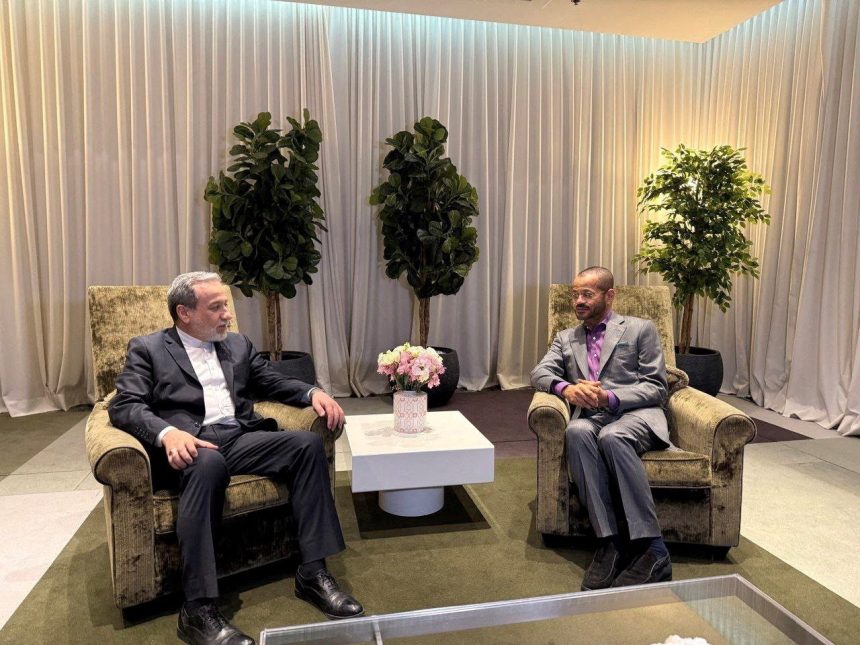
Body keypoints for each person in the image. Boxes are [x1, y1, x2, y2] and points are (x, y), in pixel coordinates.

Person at [109, 271, 363, 645]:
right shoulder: (148, 349)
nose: (227, 314)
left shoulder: (237, 344)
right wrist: (167, 433)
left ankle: (312, 573)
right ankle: (197, 609)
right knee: (208, 464)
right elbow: (125, 405)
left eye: (225, 305)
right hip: (191, 446)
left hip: (239, 437)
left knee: (306, 446)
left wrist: (312, 393)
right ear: (184, 313)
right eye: (216, 307)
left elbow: (272, 381)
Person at [530, 266, 672, 591]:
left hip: (636, 414)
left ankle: (653, 549)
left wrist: (609, 397)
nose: (578, 301)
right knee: (576, 431)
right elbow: (539, 373)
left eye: (587, 294)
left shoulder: (640, 329)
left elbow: (656, 387)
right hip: (591, 417)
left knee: (612, 436)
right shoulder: (566, 338)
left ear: (609, 296)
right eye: (575, 295)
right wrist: (566, 389)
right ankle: (609, 542)